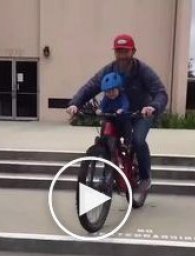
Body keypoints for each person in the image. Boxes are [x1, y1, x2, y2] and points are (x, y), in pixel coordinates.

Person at [66, 33, 168, 199]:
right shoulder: (109, 70)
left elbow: (161, 92)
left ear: (133, 51)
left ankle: (144, 178)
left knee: (138, 141)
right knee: (106, 138)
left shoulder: (143, 71)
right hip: (115, 113)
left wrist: (153, 106)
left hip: (140, 113)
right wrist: (75, 103)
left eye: (125, 51)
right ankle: (110, 169)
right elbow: (90, 87)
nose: (121, 55)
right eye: (118, 51)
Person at [96, 72, 133, 146]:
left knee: (127, 127)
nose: (111, 93)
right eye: (108, 92)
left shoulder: (122, 96)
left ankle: (128, 144)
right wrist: (99, 110)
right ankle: (102, 142)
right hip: (110, 118)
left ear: (119, 89)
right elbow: (102, 105)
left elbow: (125, 104)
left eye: (113, 90)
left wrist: (122, 110)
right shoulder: (106, 99)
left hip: (122, 119)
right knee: (105, 124)